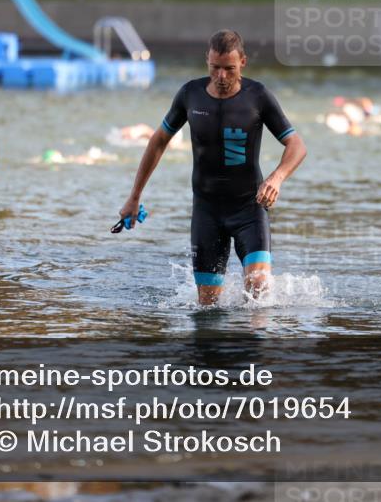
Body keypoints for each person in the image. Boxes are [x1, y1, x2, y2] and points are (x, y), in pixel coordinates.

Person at [118, 30, 306, 306]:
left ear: (243, 62)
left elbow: (297, 145)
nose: (221, 76)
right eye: (215, 67)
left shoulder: (258, 96)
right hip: (206, 212)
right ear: (207, 59)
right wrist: (134, 197)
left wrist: (277, 178)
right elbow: (158, 141)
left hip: (249, 209)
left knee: (258, 289)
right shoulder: (190, 95)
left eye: (229, 69)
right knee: (207, 307)